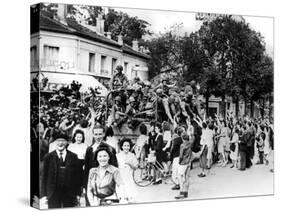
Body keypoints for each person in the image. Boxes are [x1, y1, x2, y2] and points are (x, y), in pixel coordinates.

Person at [41, 132, 82, 208]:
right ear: (54, 143)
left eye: (63, 141)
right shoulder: (48, 157)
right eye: (58, 141)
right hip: (53, 193)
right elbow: (44, 176)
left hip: (69, 193)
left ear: (67, 142)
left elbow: (77, 177)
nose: (60, 143)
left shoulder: (73, 157)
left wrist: (78, 193)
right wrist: (43, 195)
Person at [84, 124, 118, 205]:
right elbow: (87, 169)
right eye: (96, 134)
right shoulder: (89, 149)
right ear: (93, 135)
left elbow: (115, 168)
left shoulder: (110, 149)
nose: (98, 136)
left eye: (100, 134)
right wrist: (85, 186)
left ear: (103, 134)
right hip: (92, 185)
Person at [116, 138, 138, 203]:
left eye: (128, 146)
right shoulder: (117, 155)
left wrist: (130, 163)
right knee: (122, 198)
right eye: (124, 146)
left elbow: (135, 167)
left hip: (129, 178)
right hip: (121, 178)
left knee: (131, 199)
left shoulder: (132, 155)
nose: (126, 147)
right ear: (122, 146)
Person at [175, 131, 193, 199]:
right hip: (189, 162)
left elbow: (181, 155)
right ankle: (186, 192)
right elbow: (192, 136)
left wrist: (179, 162)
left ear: (183, 139)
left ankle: (181, 192)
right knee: (187, 177)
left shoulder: (182, 145)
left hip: (183, 163)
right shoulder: (190, 143)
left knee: (180, 177)